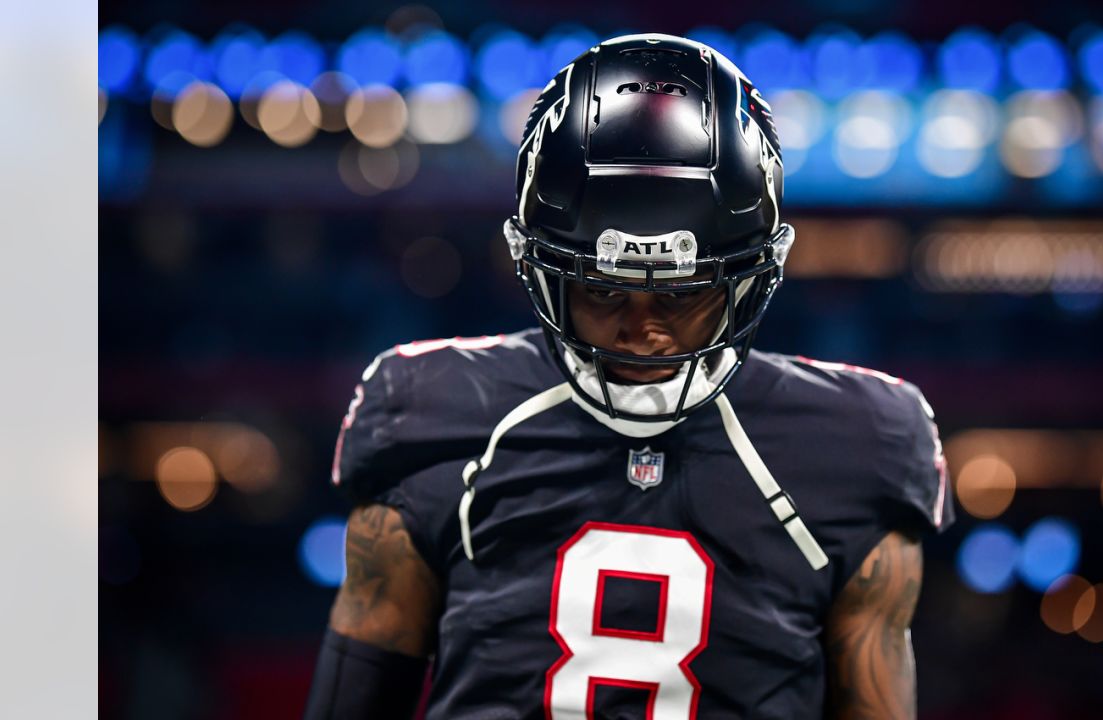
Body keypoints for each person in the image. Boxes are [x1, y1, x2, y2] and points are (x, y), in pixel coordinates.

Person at [304, 33, 953, 720]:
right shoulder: (428, 411)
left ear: (755, 275)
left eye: (680, 295)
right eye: (605, 292)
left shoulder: (860, 443)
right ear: (535, 266)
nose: (645, 330)